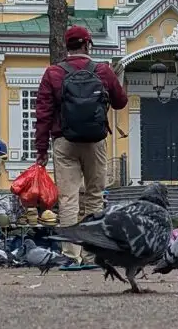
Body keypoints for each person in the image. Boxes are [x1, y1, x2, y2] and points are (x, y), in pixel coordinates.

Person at [33, 26, 128, 240]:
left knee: (68, 198)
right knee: (94, 196)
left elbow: (43, 113)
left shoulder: (53, 73)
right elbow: (121, 102)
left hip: (64, 141)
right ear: (87, 44)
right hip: (95, 141)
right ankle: (91, 253)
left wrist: (41, 150)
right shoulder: (103, 70)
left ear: (67, 46)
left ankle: (71, 253)